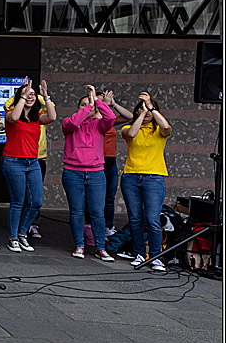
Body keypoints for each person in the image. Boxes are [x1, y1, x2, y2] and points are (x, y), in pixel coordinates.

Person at [62, 85, 117, 261]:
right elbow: (73, 123)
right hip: (73, 172)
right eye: (84, 104)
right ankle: (79, 245)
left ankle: (101, 247)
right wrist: (88, 106)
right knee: (76, 211)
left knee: (97, 213)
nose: (89, 106)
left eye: (90, 105)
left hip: (96, 173)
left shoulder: (100, 124)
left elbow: (111, 116)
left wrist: (97, 101)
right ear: (79, 108)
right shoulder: (70, 122)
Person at [2, 77, 57, 252]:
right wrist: (23, 95)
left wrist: (45, 96)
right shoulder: (11, 114)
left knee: (36, 202)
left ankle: (22, 233)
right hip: (13, 161)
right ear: (20, 96)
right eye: (27, 94)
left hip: (32, 162)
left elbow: (53, 117)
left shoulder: (37, 117)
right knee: (18, 201)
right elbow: (15, 116)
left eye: (33, 94)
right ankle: (13, 238)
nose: (31, 96)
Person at [121, 92, 172, 273]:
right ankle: (139, 254)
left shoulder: (159, 131)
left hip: (154, 178)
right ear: (136, 112)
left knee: (151, 219)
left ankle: (156, 257)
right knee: (135, 219)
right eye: (140, 109)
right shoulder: (127, 128)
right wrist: (142, 113)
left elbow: (166, 126)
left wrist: (151, 107)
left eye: (149, 110)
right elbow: (132, 134)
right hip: (131, 177)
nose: (146, 111)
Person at [97, 88, 135, 237]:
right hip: (95, 161)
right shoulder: (92, 119)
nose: (103, 102)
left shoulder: (109, 120)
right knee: (95, 197)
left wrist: (113, 104)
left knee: (109, 197)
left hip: (110, 161)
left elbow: (129, 116)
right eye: (100, 100)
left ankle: (108, 226)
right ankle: (93, 226)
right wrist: (102, 106)